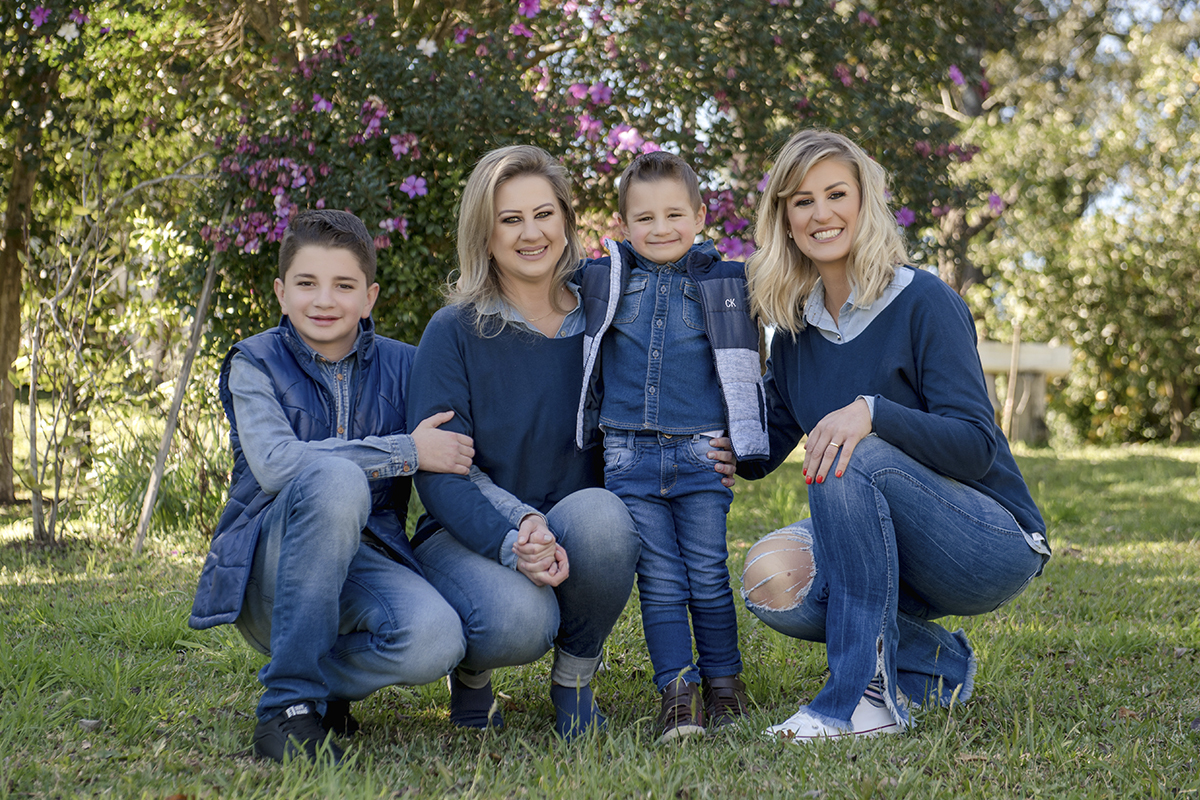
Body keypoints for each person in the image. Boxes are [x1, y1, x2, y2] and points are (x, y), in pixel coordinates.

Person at [733, 129, 1052, 742]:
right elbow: (756, 450)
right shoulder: (796, 333)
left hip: (989, 538)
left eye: (836, 194)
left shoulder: (924, 301)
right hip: (881, 538)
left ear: (864, 202)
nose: (821, 213)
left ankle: (863, 700)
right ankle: (938, 666)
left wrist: (873, 413)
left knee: (852, 455)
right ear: (786, 221)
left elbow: (975, 444)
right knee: (772, 576)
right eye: (802, 201)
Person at [188, 209, 474, 764]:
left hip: (365, 563)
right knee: (336, 479)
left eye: (343, 285)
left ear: (369, 297)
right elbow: (275, 464)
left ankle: (327, 686)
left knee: (436, 640)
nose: (324, 300)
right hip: (272, 567)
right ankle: (287, 709)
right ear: (281, 292)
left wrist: (519, 524)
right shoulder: (255, 362)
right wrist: (405, 449)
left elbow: (464, 445)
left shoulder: (407, 366)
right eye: (306, 283)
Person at [405, 145, 643, 742]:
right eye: (510, 219)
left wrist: (714, 448)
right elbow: (441, 473)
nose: (530, 233)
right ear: (485, 235)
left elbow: (660, 405)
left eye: (543, 214)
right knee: (519, 621)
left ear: (565, 220)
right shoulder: (454, 329)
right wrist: (515, 538)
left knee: (608, 523)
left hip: (574, 521)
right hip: (471, 532)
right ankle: (473, 675)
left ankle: (575, 679)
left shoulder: (605, 319)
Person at [574, 152, 767, 741]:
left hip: (701, 455)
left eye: (674, 215)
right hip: (628, 456)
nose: (660, 229)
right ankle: (677, 695)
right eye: (645, 218)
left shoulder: (728, 282)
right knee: (658, 579)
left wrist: (748, 438)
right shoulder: (604, 277)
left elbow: (763, 354)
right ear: (624, 223)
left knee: (707, 574)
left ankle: (725, 688)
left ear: (701, 215)